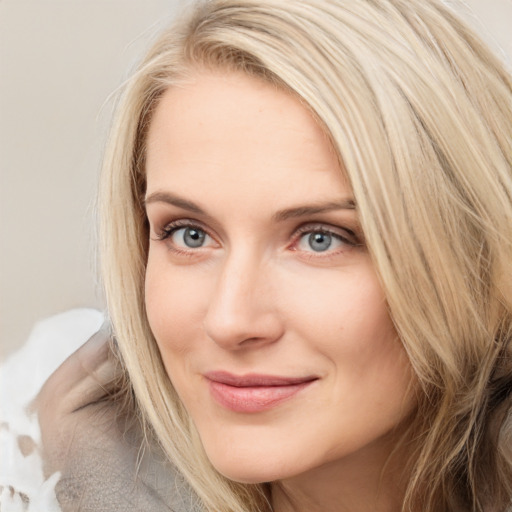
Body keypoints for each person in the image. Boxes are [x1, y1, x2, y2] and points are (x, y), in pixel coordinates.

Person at [35, 0, 512, 511]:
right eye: (189, 234)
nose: (230, 320)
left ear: (473, 258)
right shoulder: (44, 459)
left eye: (320, 238)